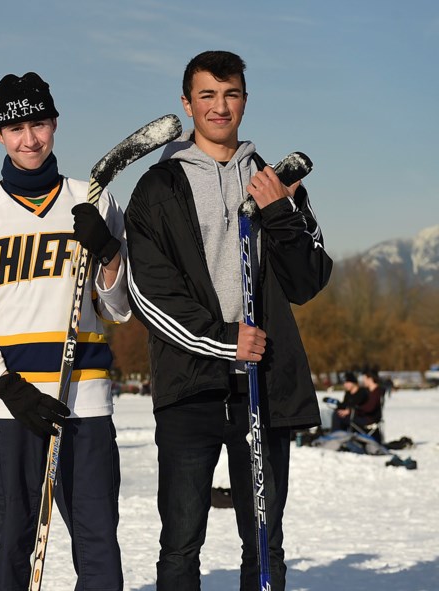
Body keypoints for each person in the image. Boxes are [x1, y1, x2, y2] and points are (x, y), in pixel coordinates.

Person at [124, 50, 333, 590]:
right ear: (187, 103)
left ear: (245, 99)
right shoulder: (156, 188)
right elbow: (149, 294)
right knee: (180, 546)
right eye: (207, 95)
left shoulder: (275, 182)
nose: (220, 107)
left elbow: (308, 281)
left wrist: (281, 214)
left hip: (264, 388)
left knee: (264, 542)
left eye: (231, 94)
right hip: (189, 390)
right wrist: (223, 341)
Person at [0, 72, 131, 590]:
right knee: (13, 550)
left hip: (84, 402)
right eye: (16, 126)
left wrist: (110, 254)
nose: (30, 138)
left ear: (55, 124)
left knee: (98, 547)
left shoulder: (93, 200)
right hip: (10, 409)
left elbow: (118, 308)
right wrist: (4, 387)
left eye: (40, 123)